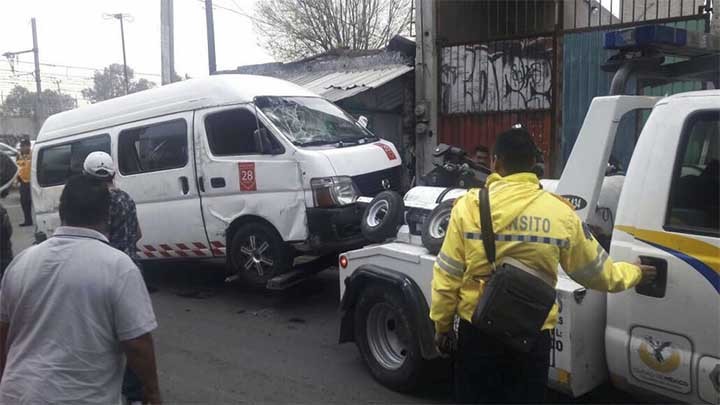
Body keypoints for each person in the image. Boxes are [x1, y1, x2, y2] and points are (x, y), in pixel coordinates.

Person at [430, 128, 656, 404]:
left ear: (495, 162)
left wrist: (441, 328)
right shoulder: (561, 212)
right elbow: (599, 274)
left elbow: (447, 275)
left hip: (478, 332)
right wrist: (635, 272)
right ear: (534, 165)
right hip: (530, 334)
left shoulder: (469, 206)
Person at [0, 175, 161, 404]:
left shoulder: (22, 262)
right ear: (107, 214)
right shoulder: (119, 267)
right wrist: (152, 392)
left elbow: (3, 332)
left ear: (60, 211)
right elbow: (137, 343)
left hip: (17, 394)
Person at [82, 151, 149, 403]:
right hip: (133, 272)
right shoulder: (127, 199)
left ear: (86, 177)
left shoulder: (96, 204)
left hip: (103, 274)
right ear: (113, 174)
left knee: (101, 335)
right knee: (133, 334)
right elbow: (139, 233)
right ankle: (134, 394)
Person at [15, 140, 32, 227]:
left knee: (33, 201)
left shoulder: (32, 154)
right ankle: (28, 220)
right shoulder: (19, 155)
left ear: (28, 146)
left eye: (23, 146)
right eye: (21, 147)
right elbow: (17, 168)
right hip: (23, 182)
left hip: (32, 182)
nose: (21, 148)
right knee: (24, 202)